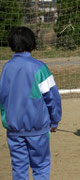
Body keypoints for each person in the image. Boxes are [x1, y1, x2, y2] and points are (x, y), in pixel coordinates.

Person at [0, 27, 62, 180]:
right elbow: (52, 97)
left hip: (14, 128)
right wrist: (55, 120)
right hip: (37, 129)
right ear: (33, 44)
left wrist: (6, 121)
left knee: (19, 168)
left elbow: (3, 97)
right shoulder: (40, 67)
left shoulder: (6, 68)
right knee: (40, 166)